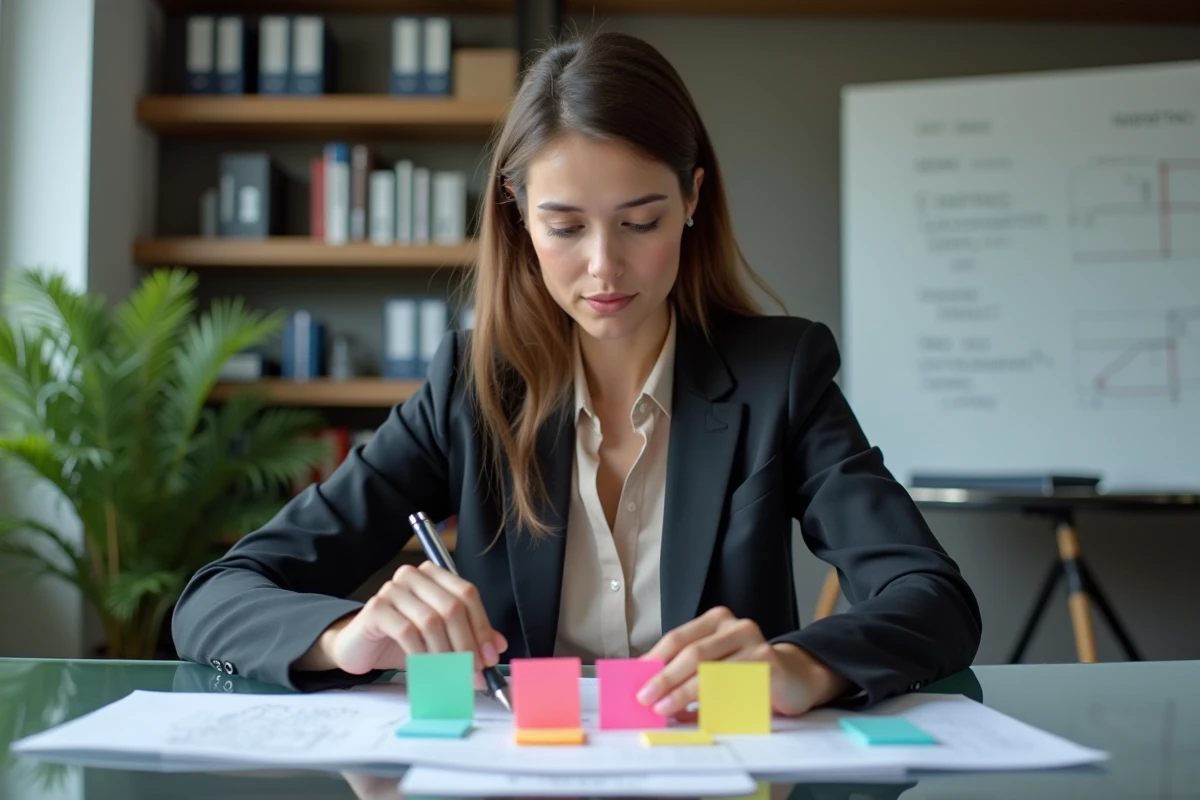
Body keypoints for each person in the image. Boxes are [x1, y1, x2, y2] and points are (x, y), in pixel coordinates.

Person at [172, 30, 981, 718]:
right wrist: (349, 641)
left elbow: (931, 596)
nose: (604, 267)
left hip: (718, 774)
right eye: (564, 226)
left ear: (693, 199)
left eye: (641, 221)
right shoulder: (472, 387)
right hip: (520, 773)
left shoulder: (782, 377)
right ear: (518, 216)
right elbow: (215, 598)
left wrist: (801, 668)